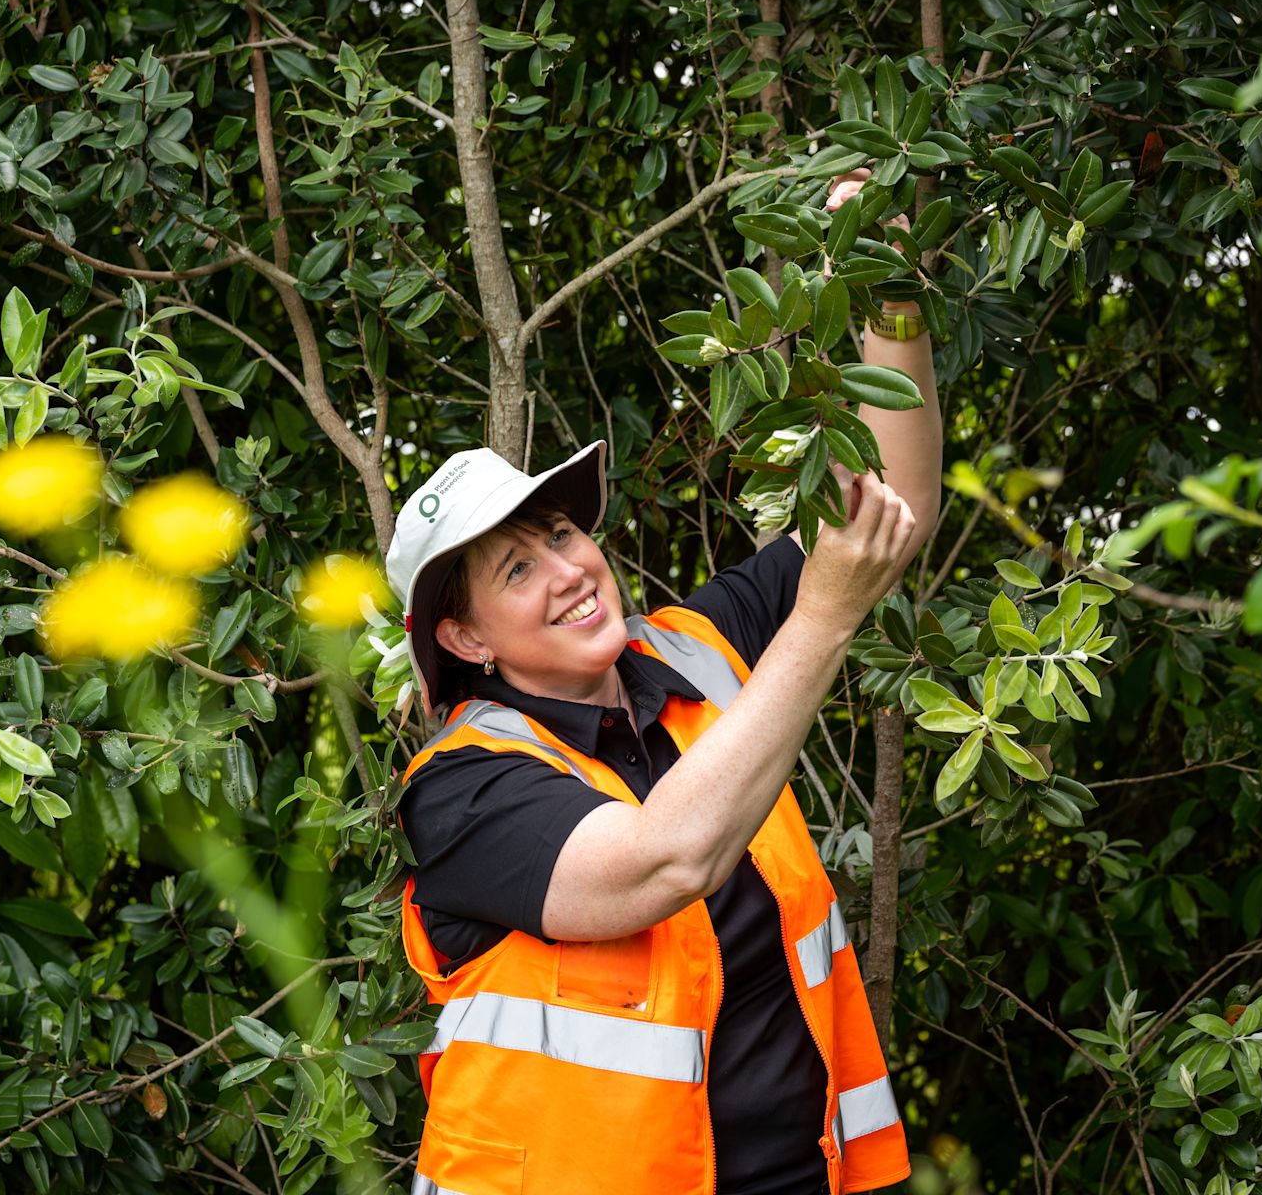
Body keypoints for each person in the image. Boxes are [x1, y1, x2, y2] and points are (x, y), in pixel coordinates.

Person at [383, 172, 942, 1195]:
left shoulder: (691, 652)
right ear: (462, 637)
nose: (565, 570)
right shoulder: (462, 789)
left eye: (558, 533)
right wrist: (822, 619)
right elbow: (661, 862)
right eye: (515, 568)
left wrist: (885, 286)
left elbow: (888, 506)